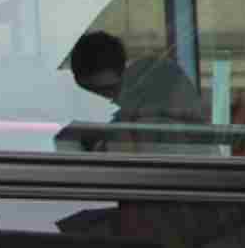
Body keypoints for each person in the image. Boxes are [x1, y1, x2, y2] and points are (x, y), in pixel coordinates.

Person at [61, 29, 209, 154]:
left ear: (123, 78)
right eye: (90, 92)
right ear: (77, 84)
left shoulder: (154, 121)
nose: (100, 99)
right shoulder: (68, 127)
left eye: (107, 91)